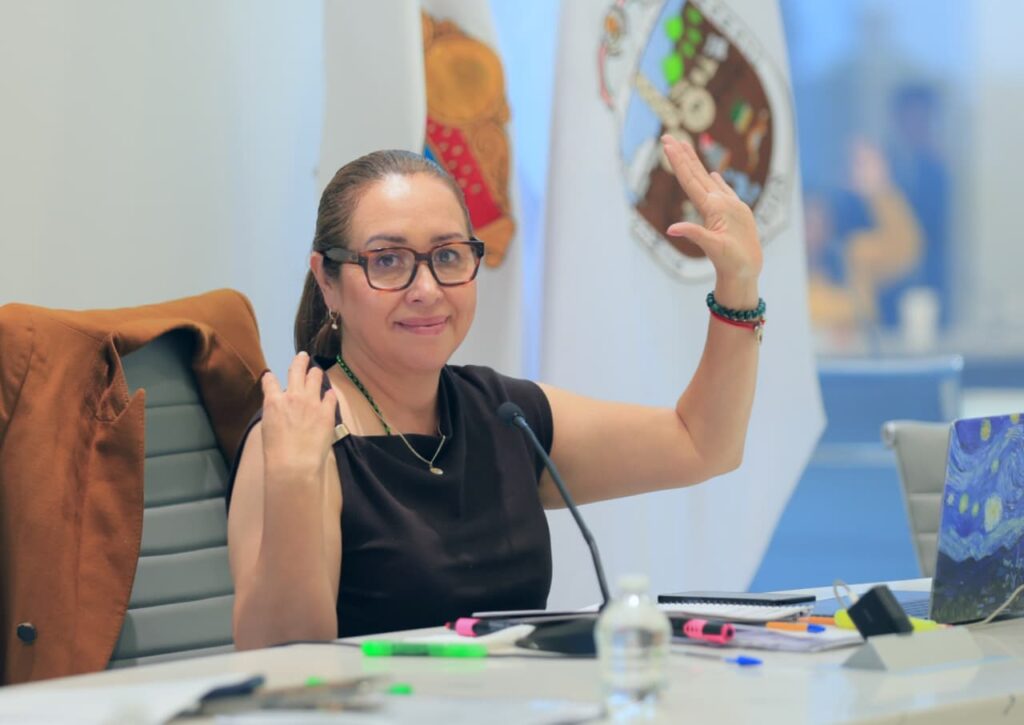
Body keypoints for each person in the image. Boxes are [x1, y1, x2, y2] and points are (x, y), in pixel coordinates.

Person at [226, 135, 764, 650]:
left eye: (448, 256)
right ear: (327, 280)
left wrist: (738, 285)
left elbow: (701, 443)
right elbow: (281, 659)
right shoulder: (299, 434)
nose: (426, 289)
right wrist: (293, 482)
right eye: (387, 260)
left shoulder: (505, 414)